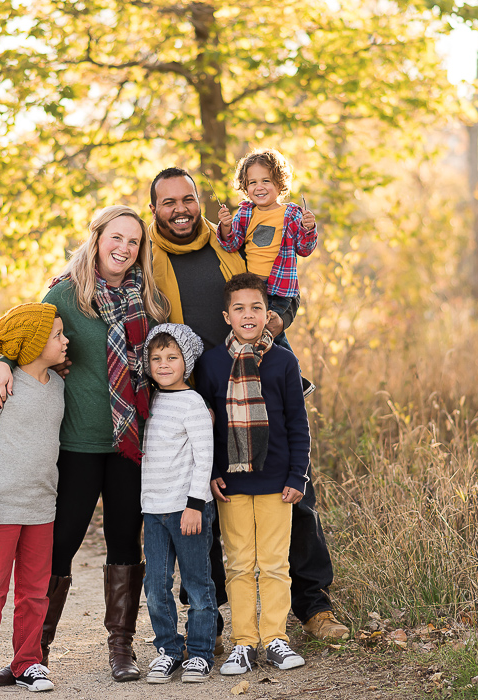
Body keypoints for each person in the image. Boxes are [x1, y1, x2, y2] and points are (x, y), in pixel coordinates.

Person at [147, 167, 350, 643]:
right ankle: (211, 616)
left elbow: (280, 284)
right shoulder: (147, 258)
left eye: (187, 199)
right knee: (205, 503)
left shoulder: (228, 238)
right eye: (168, 202)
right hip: (196, 395)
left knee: (295, 493)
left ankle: (314, 606)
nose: (180, 209)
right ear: (154, 208)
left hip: (262, 381)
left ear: (199, 200)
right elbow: (91, 272)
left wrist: (277, 322)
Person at [0, 205, 170, 684]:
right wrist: (0, 362)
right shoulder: (65, 294)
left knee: (125, 541)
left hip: (130, 442)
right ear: (97, 237)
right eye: (116, 238)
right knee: (58, 545)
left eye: (133, 242)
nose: (124, 248)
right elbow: (25, 331)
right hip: (78, 443)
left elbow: (168, 352)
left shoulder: (147, 299)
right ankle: (33, 652)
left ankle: (121, 649)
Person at [195, 273, 310, 675]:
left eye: (257, 308)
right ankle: (244, 642)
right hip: (232, 483)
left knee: (275, 564)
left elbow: (298, 422)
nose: (248, 315)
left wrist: (298, 475)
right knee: (240, 564)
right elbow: (204, 426)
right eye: (240, 308)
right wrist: (209, 472)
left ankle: (275, 638)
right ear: (227, 316)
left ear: (268, 314)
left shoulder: (283, 360)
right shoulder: (210, 363)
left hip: (278, 482)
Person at [0, 303, 69, 695]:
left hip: (42, 508)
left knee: (35, 593)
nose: (65, 340)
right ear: (35, 343)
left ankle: (28, 663)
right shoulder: (1, 385)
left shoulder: (58, 387)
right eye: (57, 335)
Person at [139, 323, 217, 684]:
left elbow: (204, 457)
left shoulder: (193, 403)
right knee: (155, 586)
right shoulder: (150, 402)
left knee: (197, 584)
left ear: (187, 361)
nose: (164, 364)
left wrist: (195, 505)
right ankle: (169, 649)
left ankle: (200, 652)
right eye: (156, 358)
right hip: (153, 511)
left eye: (172, 357)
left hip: (187, 510)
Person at [216, 148, 317, 353]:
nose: (259, 187)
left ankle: (293, 374)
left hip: (279, 289)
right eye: (252, 182)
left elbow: (304, 249)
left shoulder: (291, 213)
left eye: (266, 181)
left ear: (279, 185)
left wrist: (308, 229)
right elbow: (232, 244)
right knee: (255, 335)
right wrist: (226, 226)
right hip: (253, 289)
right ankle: (258, 372)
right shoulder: (245, 212)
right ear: (245, 187)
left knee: (270, 331)